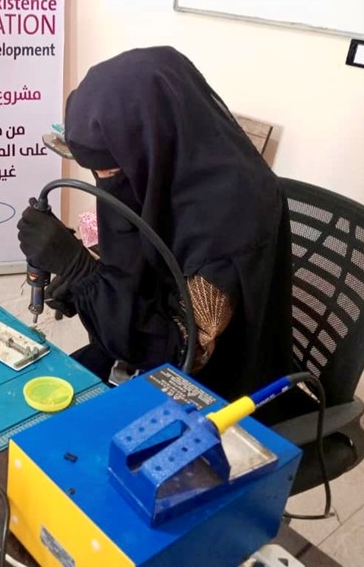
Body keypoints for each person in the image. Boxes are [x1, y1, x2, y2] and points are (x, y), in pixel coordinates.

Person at [17, 46, 293, 403]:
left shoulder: (235, 217)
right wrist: (89, 283)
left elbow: (178, 355)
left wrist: (82, 271)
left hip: (214, 391)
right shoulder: (162, 175)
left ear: (153, 141)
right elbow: (144, 264)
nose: (105, 181)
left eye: (112, 170)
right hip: (136, 349)